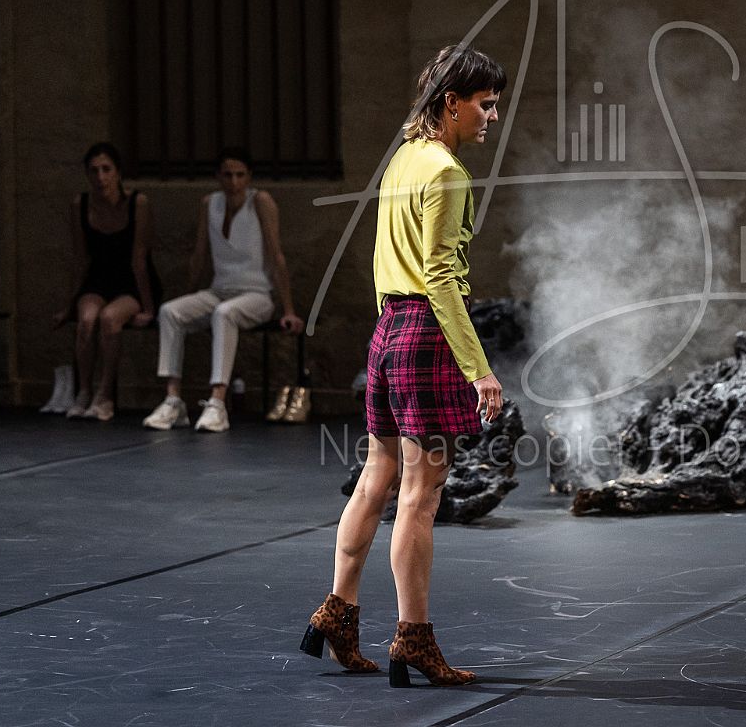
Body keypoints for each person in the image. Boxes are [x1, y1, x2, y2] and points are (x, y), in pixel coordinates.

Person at [299, 44, 505, 686]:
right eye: (485, 104)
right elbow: (441, 277)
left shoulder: (402, 159)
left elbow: (383, 259)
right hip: (426, 335)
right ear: (452, 103)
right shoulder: (445, 171)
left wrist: (394, 331)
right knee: (421, 495)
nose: (492, 117)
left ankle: (337, 612)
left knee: (378, 475)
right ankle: (412, 639)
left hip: (388, 329)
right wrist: (479, 370)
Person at [141, 148, 303, 433]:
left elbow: (276, 254)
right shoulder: (210, 203)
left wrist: (288, 309)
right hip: (219, 290)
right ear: (218, 176)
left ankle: (217, 402)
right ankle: (173, 399)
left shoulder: (260, 201)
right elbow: (199, 255)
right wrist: (190, 294)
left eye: (240, 175)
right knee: (169, 312)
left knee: (223, 313)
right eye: (227, 175)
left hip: (256, 295)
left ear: (249, 177)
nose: (234, 181)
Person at [46, 143, 160, 420]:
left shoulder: (137, 203)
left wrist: (149, 307)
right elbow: (80, 258)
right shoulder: (81, 204)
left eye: (106, 169)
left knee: (109, 318)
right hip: (98, 278)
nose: (101, 177)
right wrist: (68, 305)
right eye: (94, 171)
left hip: (129, 281)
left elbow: (139, 258)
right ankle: (84, 391)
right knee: (86, 320)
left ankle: (105, 394)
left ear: (118, 172)